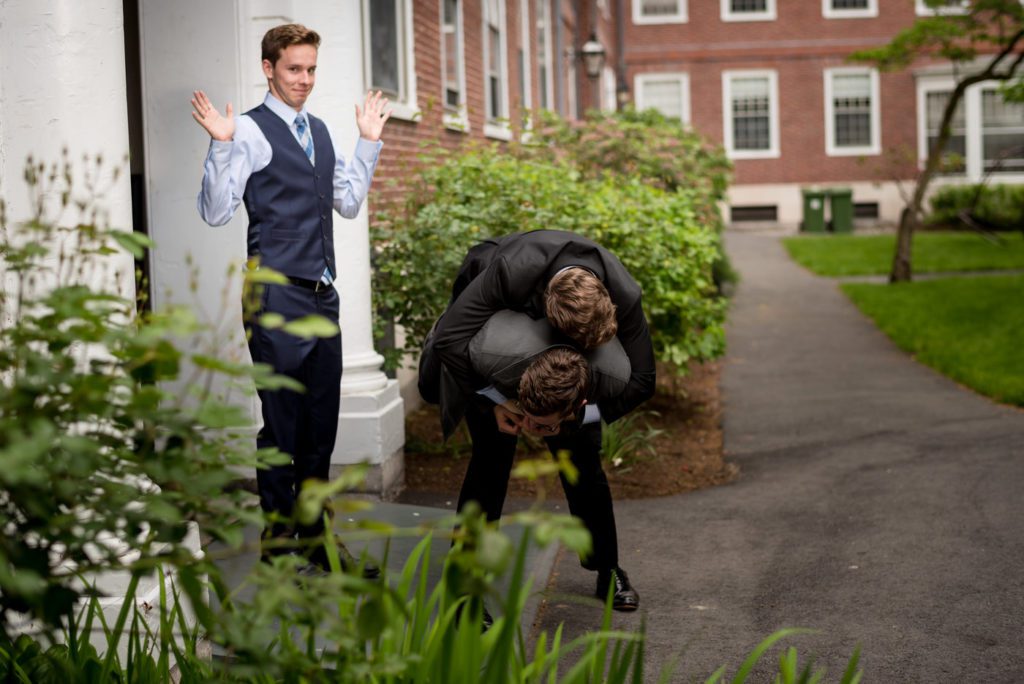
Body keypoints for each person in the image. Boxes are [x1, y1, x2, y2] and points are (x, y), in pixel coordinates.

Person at [191, 23, 390, 575]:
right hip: (275, 295)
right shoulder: (249, 132)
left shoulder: (321, 131)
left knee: (321, 427)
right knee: (282, 427)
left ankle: (316, 538)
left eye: (311, 69)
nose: (304, 79)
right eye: (293, 69)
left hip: (323, 295)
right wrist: (220, 143)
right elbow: (215, 210)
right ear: (268, 68)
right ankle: (279, 550)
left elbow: (347, 203)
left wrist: (367, 142)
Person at [421, 232, 654, 611]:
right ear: (547, 312)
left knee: (583, 458)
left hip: (570, 370)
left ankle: (607, 567)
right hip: (488, 346)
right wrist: (497, 401)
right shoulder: (508, 272)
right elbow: (451, 340)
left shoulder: (622, 294)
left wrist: (580, 414)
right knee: (490, 459)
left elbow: (644, 379)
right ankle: (465, 584)